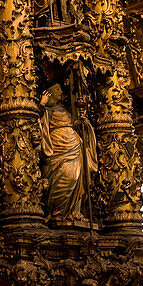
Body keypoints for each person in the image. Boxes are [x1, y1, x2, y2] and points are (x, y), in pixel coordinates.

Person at [39, 84, 96, 221]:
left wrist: (82, 122)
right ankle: (56, 212)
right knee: (64, 176)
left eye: (60, 89)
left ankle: (72, 212)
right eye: (57, 89)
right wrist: (41, 104)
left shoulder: (64, 110)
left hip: (73, 145)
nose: (60, 92)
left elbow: (73, 126)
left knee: (77, 178)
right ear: (49, 92)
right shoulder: (46, 110)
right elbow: (37, 122)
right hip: (58, 147)